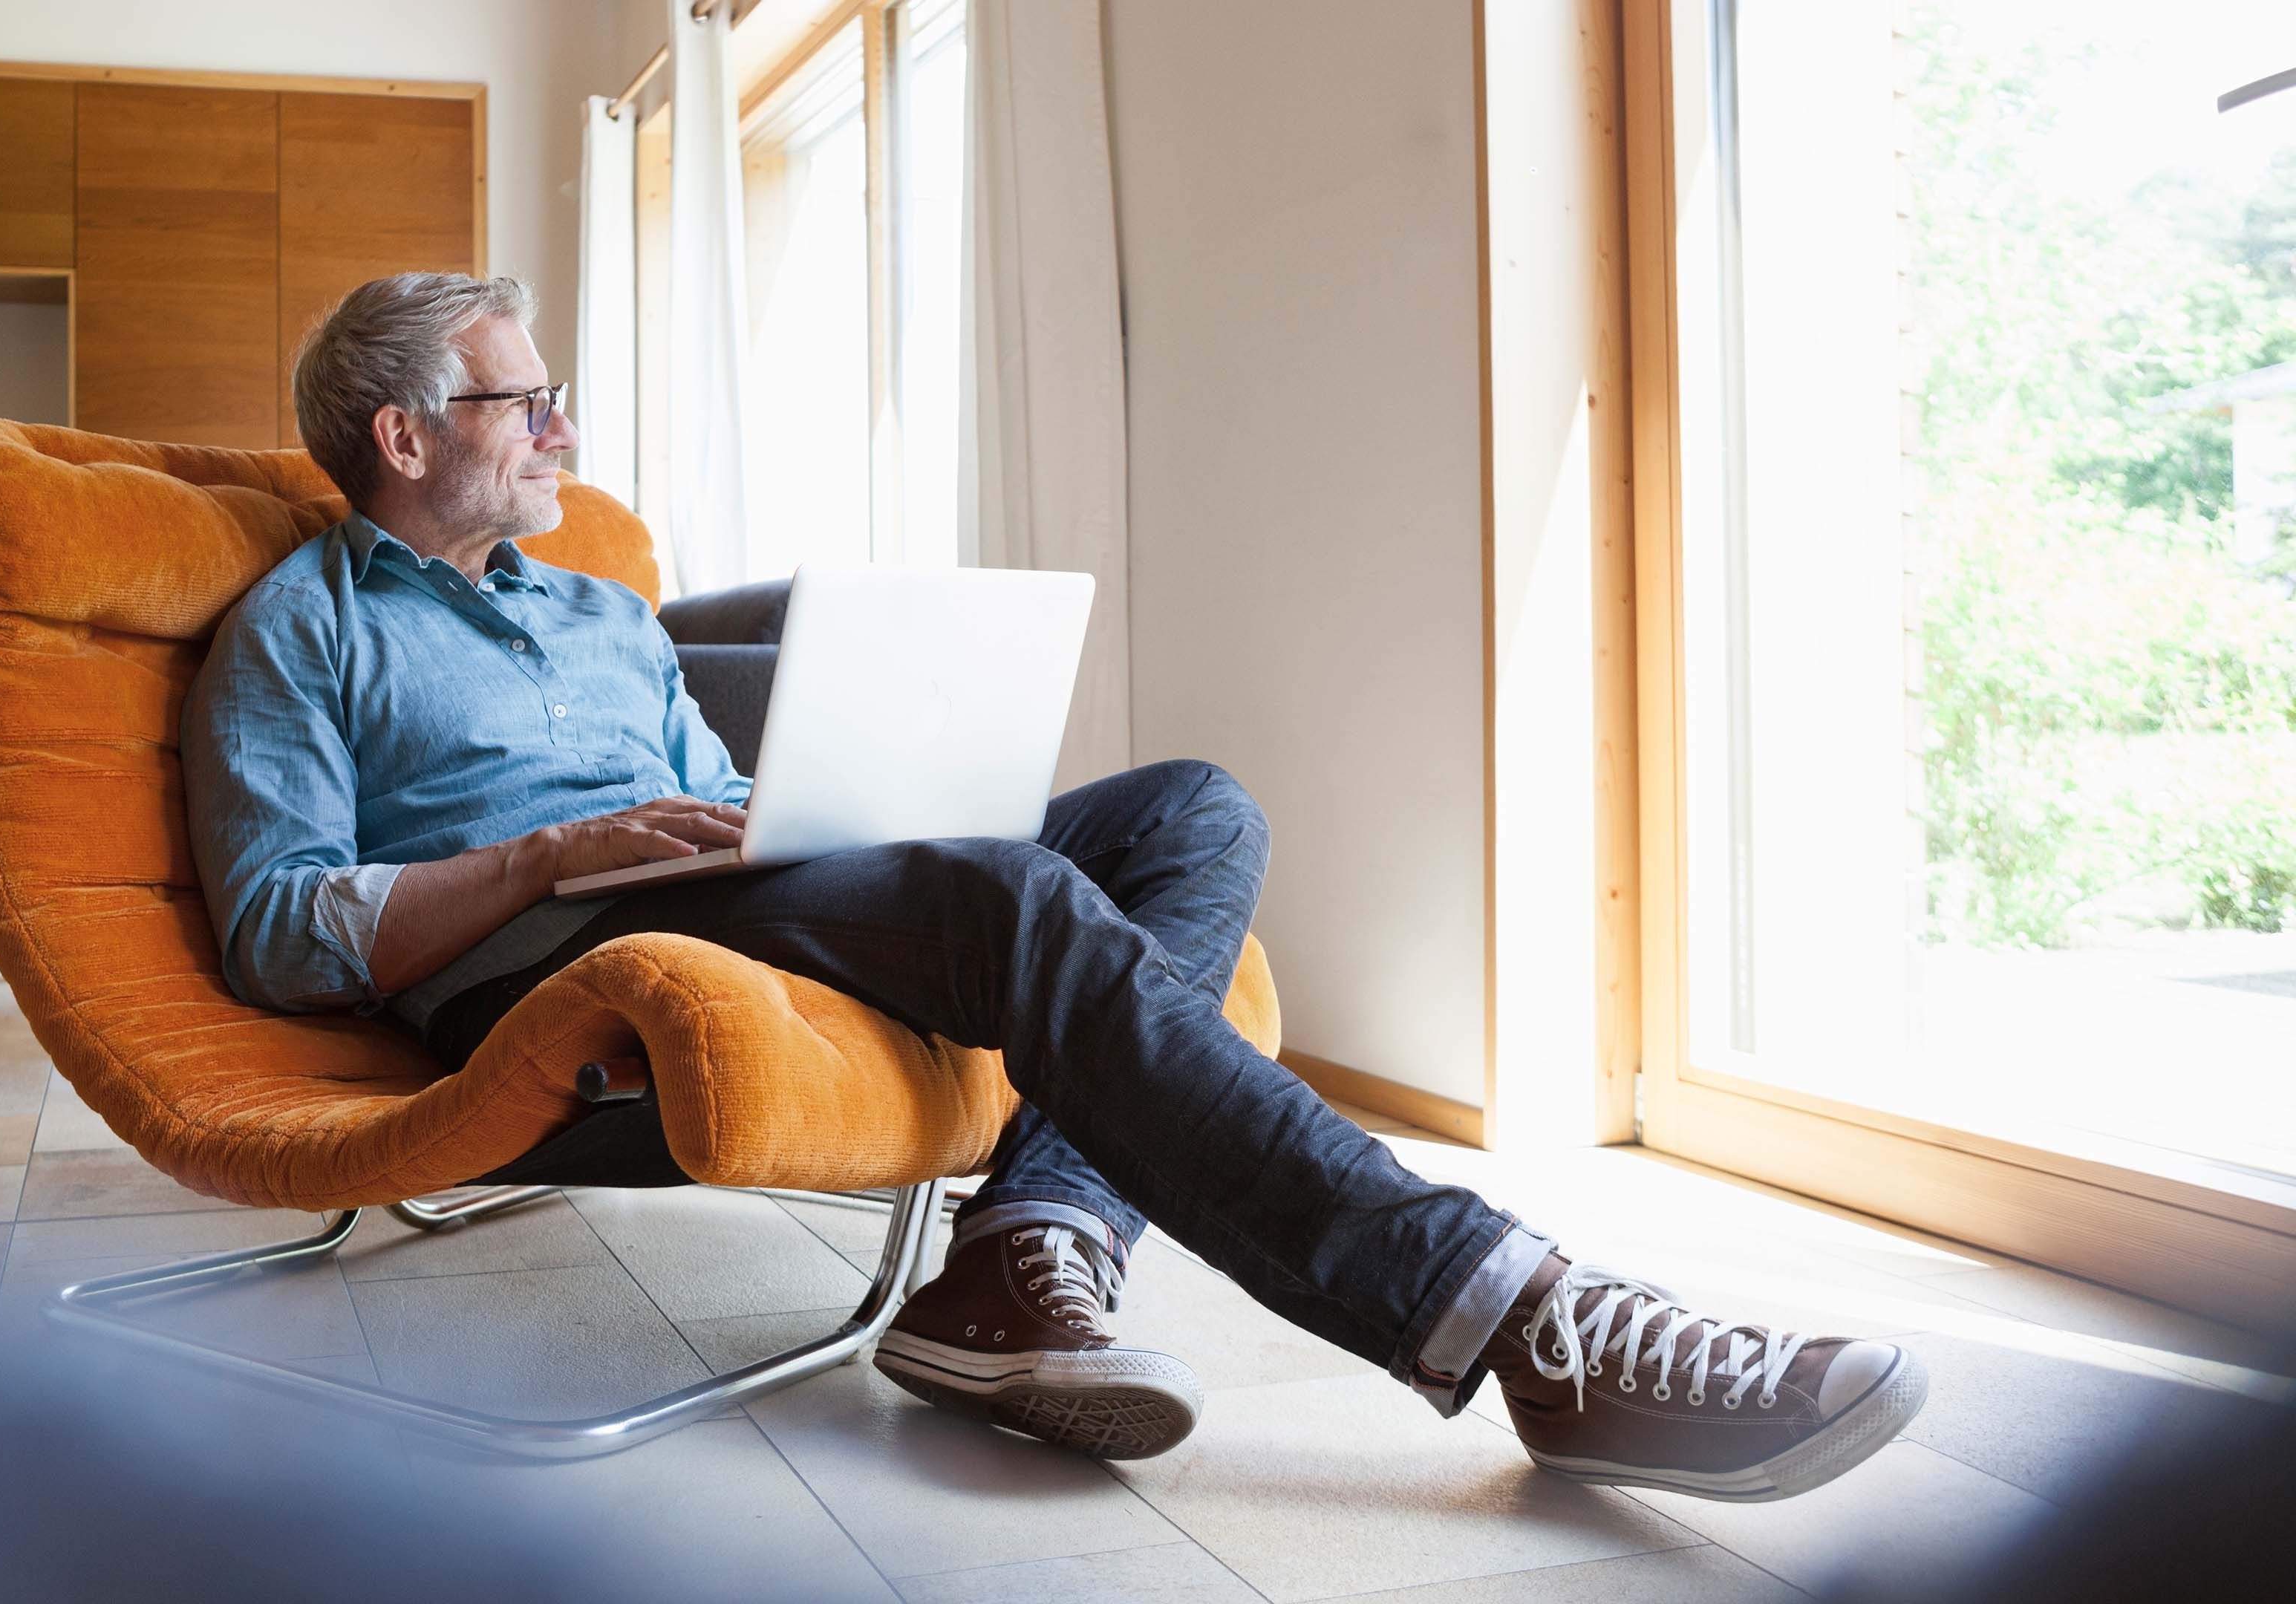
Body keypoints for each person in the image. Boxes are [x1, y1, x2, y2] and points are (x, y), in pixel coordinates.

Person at [181, 272, 1928, 1500]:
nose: (563, 423)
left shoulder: (603, 609)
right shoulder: (302, 631)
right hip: (550, 956)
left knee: (1189, 810)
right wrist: (550, 854)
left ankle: (1028, 1242)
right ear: (404, 437)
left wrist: (783, 816)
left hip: (713, 893)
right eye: (525, 396)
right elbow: (279, 931)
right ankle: (1533, 1328)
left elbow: (707, 799)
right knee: (1014, 900)